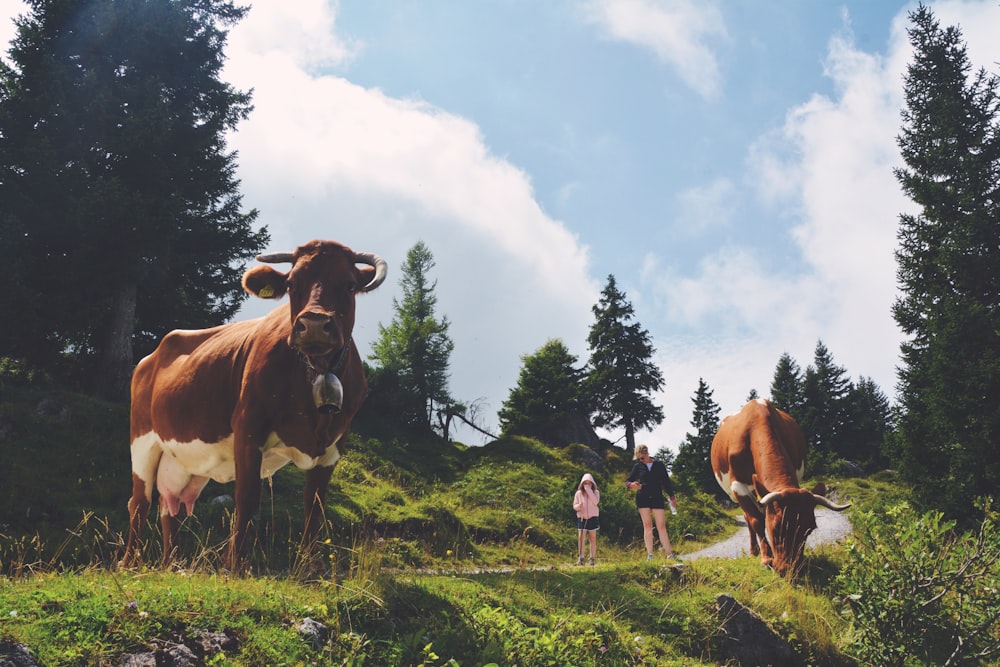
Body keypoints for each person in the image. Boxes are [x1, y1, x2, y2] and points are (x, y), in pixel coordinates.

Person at [625, 444, 678, 561]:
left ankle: (669, 554)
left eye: (642, 458)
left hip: (657, 497)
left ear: (647, 454)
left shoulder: (659, 465)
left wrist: (672, 497)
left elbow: (666, 482)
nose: (641, 460)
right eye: (639, 458)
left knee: (661, 526)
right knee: (647, 526)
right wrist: (631, 485)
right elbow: (628, 481)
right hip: (642, 498)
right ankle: (650, 555)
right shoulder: (638, 466)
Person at [572, 473, 600, 565]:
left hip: (592, 518)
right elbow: (574, 505)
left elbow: (595, 502)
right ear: (582, 484)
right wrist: (578, 507)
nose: (587, 485)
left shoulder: (596, 493)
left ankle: (592, 558)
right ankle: (581, 558)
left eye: (589, 483)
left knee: (592, 538)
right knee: (581, 538)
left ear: (592, 484)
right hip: (582, 518)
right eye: (585, 483)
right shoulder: (578, 493)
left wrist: (589, 491)